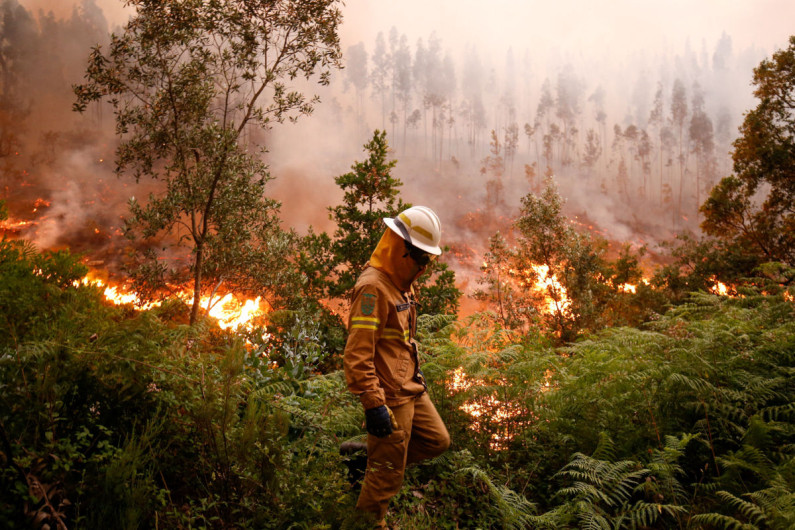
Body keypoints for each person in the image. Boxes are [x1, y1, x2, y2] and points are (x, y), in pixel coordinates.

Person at [342, 205, 451, 527]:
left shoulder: (400, 281)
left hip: (410, 387)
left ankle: (365, 458)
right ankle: (366, 523)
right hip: (390, 396)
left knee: (437, 441)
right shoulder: (373, 289)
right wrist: (373, 405)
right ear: (400, 249)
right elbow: (357, 354)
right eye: (420, 257)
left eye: (426, 259)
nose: (424, 266)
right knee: (385, 479)